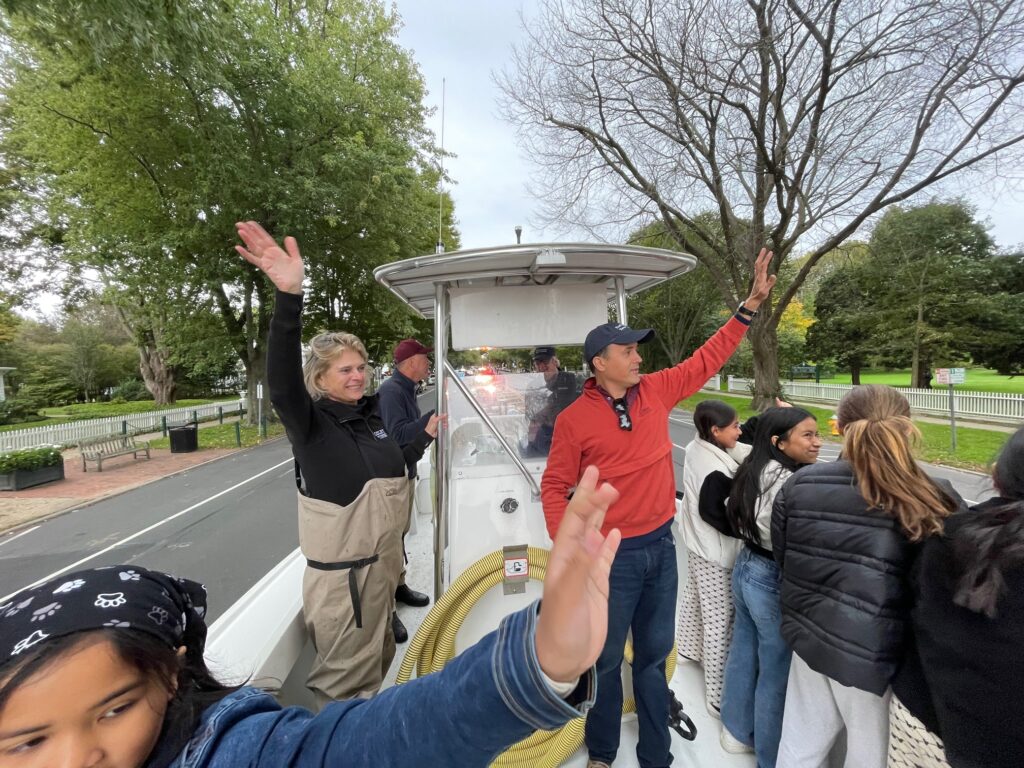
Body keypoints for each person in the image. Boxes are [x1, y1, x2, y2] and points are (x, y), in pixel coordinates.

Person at [0, 465, 623, 768]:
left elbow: (378, 743)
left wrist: (542, 661)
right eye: (28, 741)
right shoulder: (327, 419)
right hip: (339, 574)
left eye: (113, 710)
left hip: (380, 566)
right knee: (345, 675)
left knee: (364, 682)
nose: (76, 759)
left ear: (171, 676)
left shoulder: (236, 754)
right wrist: (289, 302)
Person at [541, 247, 776, 768]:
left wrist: (749, 306)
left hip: (661, 552)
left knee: (650, 661)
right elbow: (555, 486)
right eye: (628, 351)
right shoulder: (574, 420)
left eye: (637, 350)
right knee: (602, 664)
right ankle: (602, 753)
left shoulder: (658, 390)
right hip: (612, 557)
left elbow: (708, 357)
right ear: (601, 364)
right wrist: (570, 546)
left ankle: (656, 757)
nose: (639, 357)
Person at [236, 221, 441, 706]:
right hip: (345, 584)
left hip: (384, 571)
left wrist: (424, 438)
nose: (357, 376)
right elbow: (282, 381)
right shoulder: (311, 425)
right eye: (344, 370)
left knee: (380, 667)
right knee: (344, 691)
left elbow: (393, 465)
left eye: (361, 366)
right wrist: (290, 296)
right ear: (320, 377)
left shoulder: (370, 416)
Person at [771, 385, 961, 768]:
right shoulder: (933, 497)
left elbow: (784, 556)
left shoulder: (800, 485)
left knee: (798, 746)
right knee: (868, 756)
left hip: (810, 639)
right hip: (879, 658)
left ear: (839, 427)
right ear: (907, 429)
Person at [891, 425, 1024, 768]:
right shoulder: (948, 532)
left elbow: (917, 627)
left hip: (961, 730)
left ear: (997, 477)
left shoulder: (950, 537)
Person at [711, 406, 819, 766]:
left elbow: (730, 506)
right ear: (779, 442)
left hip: (746, 566)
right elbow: (791, 536)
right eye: (808, 435)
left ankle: (736, 731)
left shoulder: (754, 467)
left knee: (744, 649)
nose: (818, 442)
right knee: (775, 671)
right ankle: (770, 758)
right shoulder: (790, 483)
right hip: (770, 575)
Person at [675, 400, 751, 718]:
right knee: (720, 621)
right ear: (715, 431)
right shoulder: (713, 470)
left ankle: (687, 651)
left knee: (693, 601)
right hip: (714, 553)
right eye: (734, 426)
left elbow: (742, 447)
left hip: (696, 544)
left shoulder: (698, 447)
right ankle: (717, 695)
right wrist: (746, 530)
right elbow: (714, 514)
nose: (740, 430)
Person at [377, 337, 438, 645]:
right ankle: (387, 610)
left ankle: (399, 587)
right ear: (411, 362)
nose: (428, 363)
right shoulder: (390, 392)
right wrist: (430, 420)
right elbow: (396, 434)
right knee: (389, 544)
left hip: (406, 472)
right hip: (391, 479)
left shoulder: (406, 389)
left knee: (400, 537)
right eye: (424, 358)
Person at [523, 346, 578, 456]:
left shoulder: (569, 381)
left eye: (545, 361)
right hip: (545, 436)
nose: (541, 366)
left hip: (563, 436)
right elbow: (530, 412)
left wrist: (539, 418)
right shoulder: (533, 386)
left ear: (555, 362)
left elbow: (562, 408)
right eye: (538, 362)